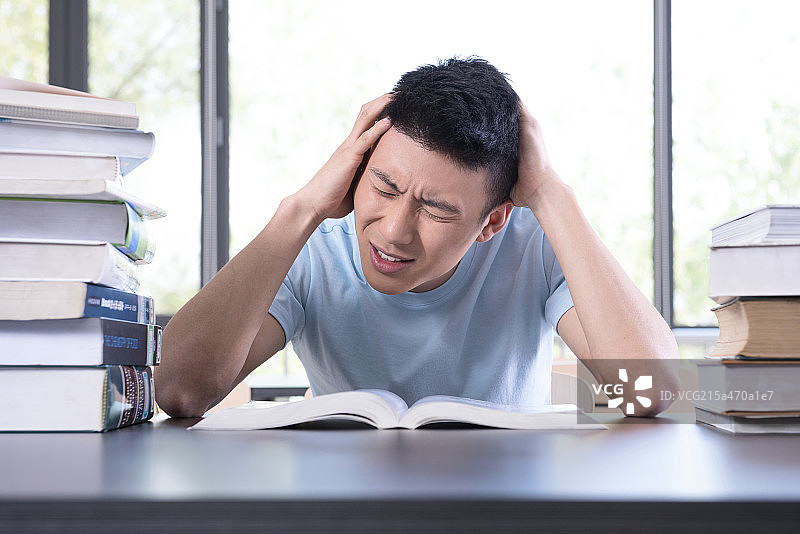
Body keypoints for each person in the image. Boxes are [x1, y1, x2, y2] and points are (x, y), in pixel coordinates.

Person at [155, 57, 679, 418]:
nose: (393, 231)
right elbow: (180, 392)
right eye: (383, 187)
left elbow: (652, 392)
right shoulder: (313, 245)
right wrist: (301, 209)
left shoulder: (530, 243)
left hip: (504, 511)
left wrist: (549, 193)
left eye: (436, 210)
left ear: (491, 222)